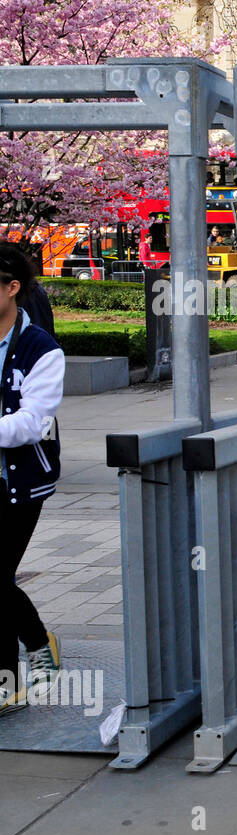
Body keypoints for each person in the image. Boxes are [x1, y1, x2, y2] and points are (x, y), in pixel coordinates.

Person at [0, 244, 65, 715]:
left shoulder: (41, 349)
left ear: (11, 288)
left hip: (22, 482)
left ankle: (17, 672)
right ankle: (35, 644)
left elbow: (31, 423)